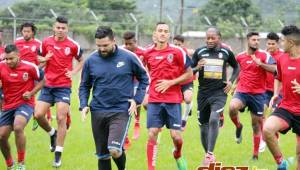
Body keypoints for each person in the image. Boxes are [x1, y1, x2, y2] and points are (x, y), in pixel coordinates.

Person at [79, 26, 149, 170]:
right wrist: (84, 104)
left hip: (121, 110)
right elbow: (84, 85)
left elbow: (144, 78)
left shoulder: (129, 57)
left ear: (114, 41)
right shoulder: (91, 60)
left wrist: (137, 100)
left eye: (105, 45)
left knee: (115, 150)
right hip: (98, 110)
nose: (102, 49)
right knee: (103, 155)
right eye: (99, 46)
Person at [34, 16, 84, 167]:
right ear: (53, 28)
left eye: (63, 28)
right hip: (47, 84)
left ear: (67, 29)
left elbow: (82, 60)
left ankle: (58, 154)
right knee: (38, 115)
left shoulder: (73, 45)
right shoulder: (46, 42)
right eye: (58, 28)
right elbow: (38, 58)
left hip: (63, 85)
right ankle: (52, 133)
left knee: (61, 117)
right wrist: (44, 59)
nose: (60, 30)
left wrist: (74, 72)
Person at [144, 22, 192, 170]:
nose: (163, 33)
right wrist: (146, 91)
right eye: (160, 31)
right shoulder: (148, 53)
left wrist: (171, 82)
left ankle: (177, 153)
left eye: (165, 31)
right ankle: (151, 168)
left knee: (176, 137)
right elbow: (145, 72)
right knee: (152, 133)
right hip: (155, 99)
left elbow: (189, 74)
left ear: (169, 35)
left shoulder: (177, 52)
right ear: (155, 34)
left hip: (173, 99)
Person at [192, 27, 239, 165]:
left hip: (219, 92)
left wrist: (231, 81)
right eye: (208, 38)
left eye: (213, 38)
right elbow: (189, 69)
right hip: (202, 93)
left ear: (219, 38)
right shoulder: (199, 52)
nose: (210, 40)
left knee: (214, 119)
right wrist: (197, 68)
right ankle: (208, 155)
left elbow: (236, 67)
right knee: (203, 126)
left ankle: (210, 154)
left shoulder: (226, 52)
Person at [229, 32, 276, 160]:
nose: (256, 42)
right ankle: (238, 126)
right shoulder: (240, 57)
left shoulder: (264, 55)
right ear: (248, 41)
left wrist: (261, 64)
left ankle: (255, 155)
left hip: (258, 95)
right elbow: (241, 71)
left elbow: (275, 69)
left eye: (258, 40)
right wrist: (234, 85)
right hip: (242, 92)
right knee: (232, 107)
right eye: (254, 39)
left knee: (255, 125)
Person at [0, 44, 43, 170]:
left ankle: (21, 163)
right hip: (8, 105)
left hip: (25, 104)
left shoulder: (30, 67)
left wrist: (31, 93)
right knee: (1, 136)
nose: (8, 61)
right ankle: (10, 165)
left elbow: (43, 80)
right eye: (6, 59)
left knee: (18, 127)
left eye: (11, 59)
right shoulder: (1, 66)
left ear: (18, 56)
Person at [263, 25, 300, 170]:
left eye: (283, 40)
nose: (280, 43)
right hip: (286, 107)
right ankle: (281, 163)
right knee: (267, 129)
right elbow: (278, 76)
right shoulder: (281, 59)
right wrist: (275, 93)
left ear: (291, 43)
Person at [259, 32, 285, 153]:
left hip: (279, 91)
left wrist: (261, 64)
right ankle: (263, 140)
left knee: (274, 114)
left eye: (273, 43)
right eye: (268, 43)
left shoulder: (283, 55)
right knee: (262, 114)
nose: (270, 46)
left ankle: (275, 136)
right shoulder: (264, 55)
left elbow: (276, 71)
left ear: (278, 43)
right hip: (264, 90)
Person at [122, 31, 146, 147]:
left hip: (138, 82)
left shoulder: (143, 52)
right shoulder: (121, 51)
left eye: (130, 44)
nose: (127, 46)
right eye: (125, 44)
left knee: (135, 103)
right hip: (125, 83)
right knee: (125, 108)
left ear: (135, 42)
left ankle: (137, 121)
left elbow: (149, 67)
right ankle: (125, 137)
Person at [173, 35, 194, 130]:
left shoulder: (185, 52)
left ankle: (184, 119)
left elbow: (194, 53)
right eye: (175, 44)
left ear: (183, 44)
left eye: (179, 44)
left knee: (188, 99)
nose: (177, 46)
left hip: (186, 81)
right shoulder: (170, 52)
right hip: (175, 82)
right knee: (176, 103)